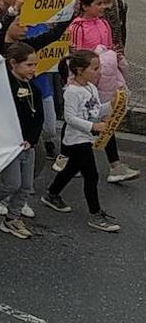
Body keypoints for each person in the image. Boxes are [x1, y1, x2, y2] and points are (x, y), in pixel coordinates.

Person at [40, 50, 120, 232]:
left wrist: (111, 105)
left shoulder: (91, 88)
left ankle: (52, 194)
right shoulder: (72, 91)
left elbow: (96, 109)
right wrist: (93, 127)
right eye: (95, 68)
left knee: (71, 169)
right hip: (76, 140)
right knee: (91, 175)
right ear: (79, 70)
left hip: (86, 138)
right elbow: (69, 117)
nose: (99, 72)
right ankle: (95, 214)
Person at [67, 0, 138, 182]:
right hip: (85, 83)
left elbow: (109, 50)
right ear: (84, 5)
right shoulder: (76, 27)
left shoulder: (104, 24)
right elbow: (76, 57)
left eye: (104, 3)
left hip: (104, 82)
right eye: (98, 4)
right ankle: (66, 158)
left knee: (105, 121)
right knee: (78, 122)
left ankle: (115, 166)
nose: (102, 7)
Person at [0, 43, 41, 241]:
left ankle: (12, 219)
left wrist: (32, 139)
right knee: (11, 183)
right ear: (13, 64)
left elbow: (38, 118)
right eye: (28, 65)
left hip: (27, 145)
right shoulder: (2, 87)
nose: (33, 69)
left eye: (34, 65)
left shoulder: (33, 88)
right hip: (9, 145)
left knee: (26, 185)